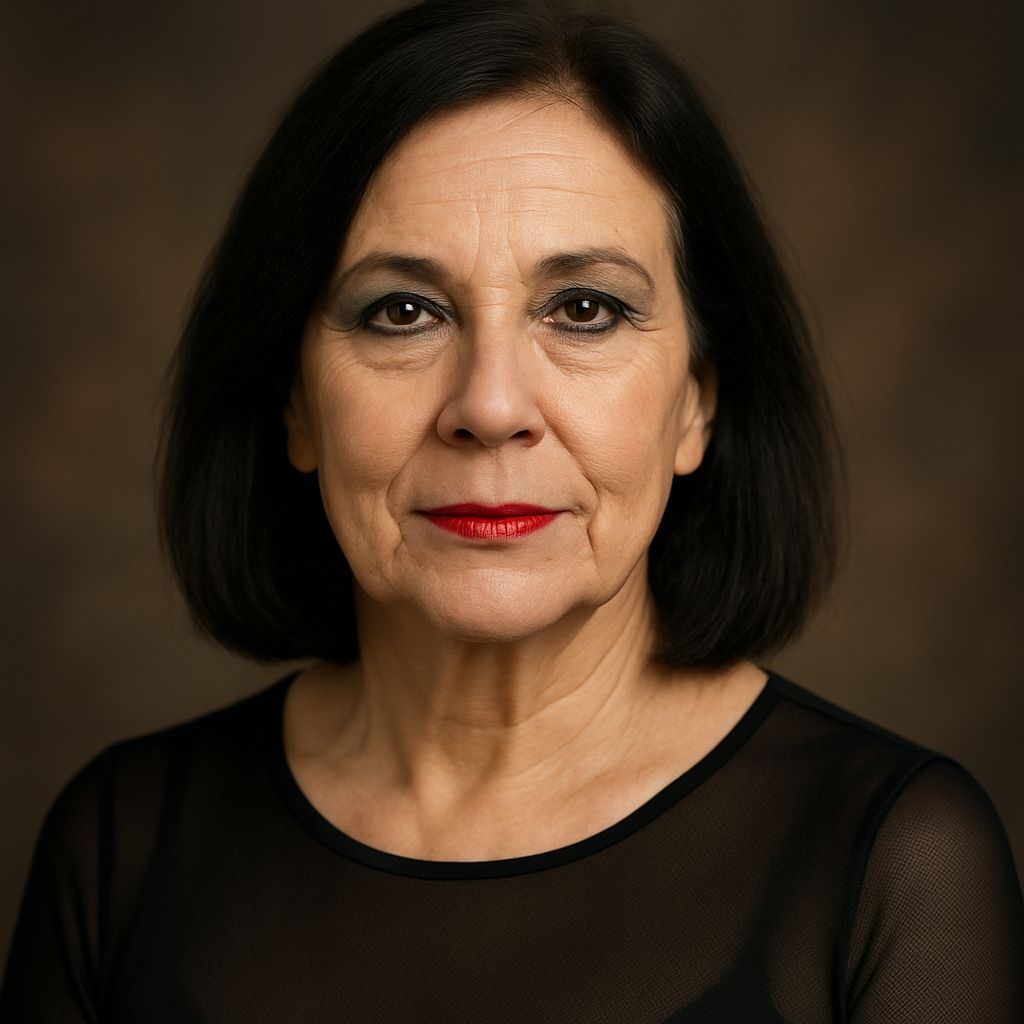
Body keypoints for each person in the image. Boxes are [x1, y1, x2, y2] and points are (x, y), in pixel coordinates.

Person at [2, 0, 1022, 1018]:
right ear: (295, 405)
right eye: (403, 311)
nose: (490, 406)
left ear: (696, 405)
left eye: (584, 309)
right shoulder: (117, 846)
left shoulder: (895, 863)